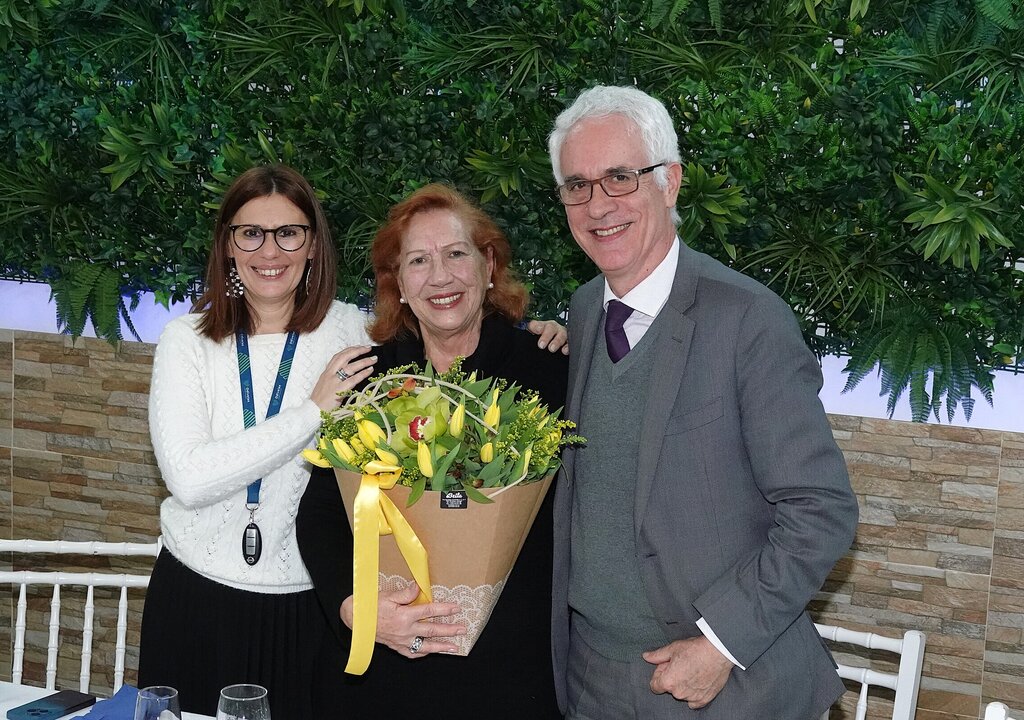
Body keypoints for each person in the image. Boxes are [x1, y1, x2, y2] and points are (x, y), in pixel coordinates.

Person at [138, 166, 565, 718]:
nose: (270, 250)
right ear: (227, 245)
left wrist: (546, 331)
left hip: (314, 615)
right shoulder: (190, 341)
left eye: (289, 232)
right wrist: (312, 413)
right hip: (204, 598)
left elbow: (452, 316)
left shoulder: (351, 336)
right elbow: (208, 482)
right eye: (251, 233)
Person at [547, 85, 859, 720]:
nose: (598, 204)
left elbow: (821, 510)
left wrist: (720, 645)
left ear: (670, 181)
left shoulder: (749, 320)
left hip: (722, 688)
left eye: (620, 177)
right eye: (577, 185)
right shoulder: (583, 311)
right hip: (592, 682)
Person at [296, 183, 567, 718]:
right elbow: (321, 514)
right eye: (418, 260)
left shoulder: (551, 370)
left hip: (507, 676)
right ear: (398, 283)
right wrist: (357, 609)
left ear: (489, 265)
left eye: (456, 254)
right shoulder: (369, 381)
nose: (440, 277)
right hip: (382, 672)